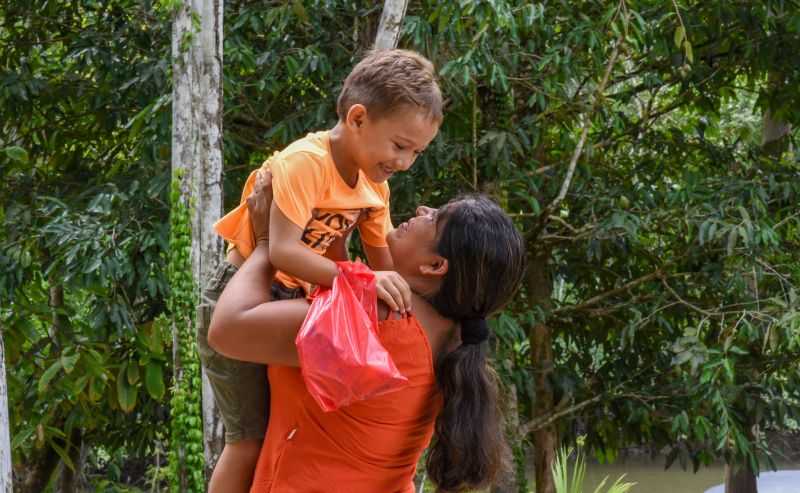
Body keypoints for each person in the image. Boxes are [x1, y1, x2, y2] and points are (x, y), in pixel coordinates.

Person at [197, 48, 443, 492]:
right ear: (358, 118)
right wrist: (361, 280)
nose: (404, 162)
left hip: (297, 299)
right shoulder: (305, 163)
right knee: (247, 438)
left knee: (279, 429)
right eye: (400, 145)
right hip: (246, 293)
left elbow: (386, 269)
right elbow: (285, 253)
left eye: (417, 152)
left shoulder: (374, 183)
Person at [208, 170, 526, 492]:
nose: (422, 210)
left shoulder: (381, 320)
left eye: (436, 218)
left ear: (434, 267)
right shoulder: (443, 339)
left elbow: (228, 330)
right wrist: (338, 236)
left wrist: (266, 243)